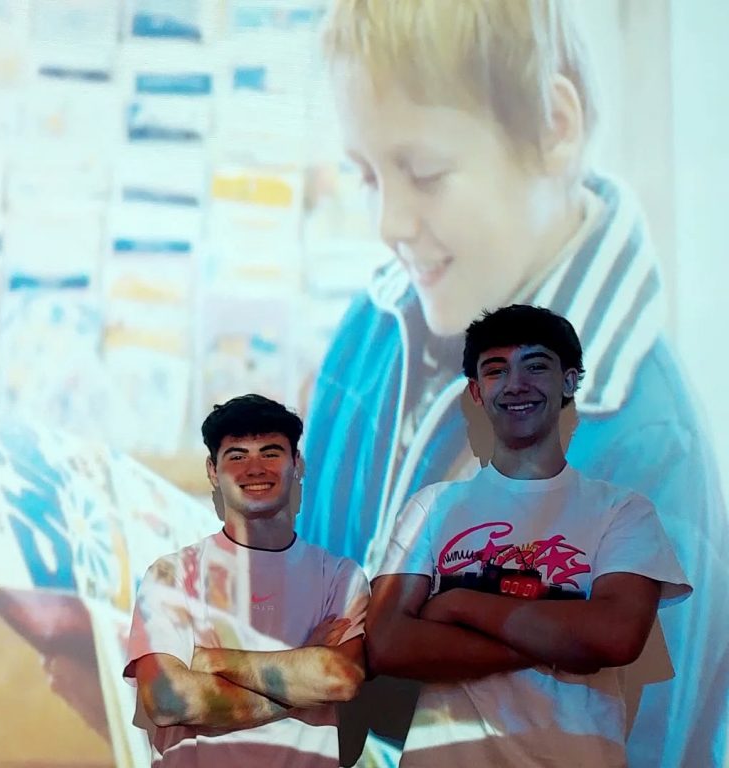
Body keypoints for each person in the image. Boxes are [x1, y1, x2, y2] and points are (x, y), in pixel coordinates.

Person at [301, 2, 729, 765]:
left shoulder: (646, 449)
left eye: (425, 174)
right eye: (367, 175)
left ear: (554, 128)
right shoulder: (370, 336)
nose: (389, 222)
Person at [364, 304, 690, 766]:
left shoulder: (622, 511)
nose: (515, 384)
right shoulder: (430, 508)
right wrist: (564, 642)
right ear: (477, 391)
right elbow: (387, 644)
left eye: (535, 366)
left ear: (570, 381)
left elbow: (615, 637)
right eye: (496, 370)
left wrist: (458, 605)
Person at [122, 394, 369, 766]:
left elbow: (340, 679)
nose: (255, 469)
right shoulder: (172, 575)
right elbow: (169, 700)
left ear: (296, 463)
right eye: (237, 456)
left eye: (270, 453)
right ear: (212, 470)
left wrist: (213, 660)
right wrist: (303, 667)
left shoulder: (338, 576)